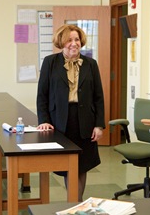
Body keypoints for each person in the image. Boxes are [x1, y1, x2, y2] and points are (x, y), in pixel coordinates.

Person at [36, 24, 105, 201]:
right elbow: (42, 95)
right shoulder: (50, 62)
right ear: (61, 42)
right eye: (69, 40)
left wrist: (99, 124)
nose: (74, 44)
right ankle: (76, 203)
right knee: (68, 164)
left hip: (85, 121)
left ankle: (75, 202)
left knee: (82, 165)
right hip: (60, 122)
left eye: (76, 39)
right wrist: (43, 120)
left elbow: (98, 97)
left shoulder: (91, 64)